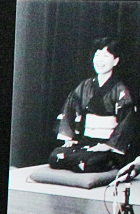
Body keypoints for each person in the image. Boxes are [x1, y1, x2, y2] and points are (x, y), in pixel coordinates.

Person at [49, 37, 135, 174]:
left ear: (115, 61)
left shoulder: (120, 90)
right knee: (55, 156)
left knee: (91, 162)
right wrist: (69, 138)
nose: (100, 60)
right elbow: (70, 109)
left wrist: (108, 145)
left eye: (105, 56)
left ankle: (104, 160)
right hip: (86, 141)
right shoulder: (85, 85)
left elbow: (127, 121)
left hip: (108, 144)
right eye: (97, 55)